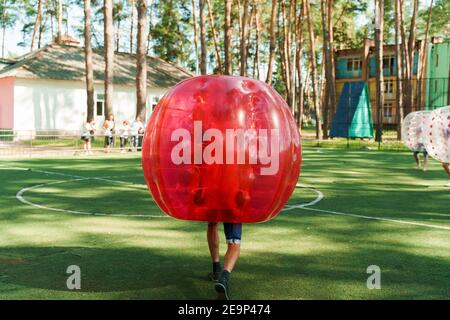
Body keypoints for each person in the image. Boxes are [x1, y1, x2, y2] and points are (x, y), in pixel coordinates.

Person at [207, 222, 242, 300]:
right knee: (234, 241)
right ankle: (224, 277)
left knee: (212, 224)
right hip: (234, 209)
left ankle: (216, 270)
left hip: (214, 209)